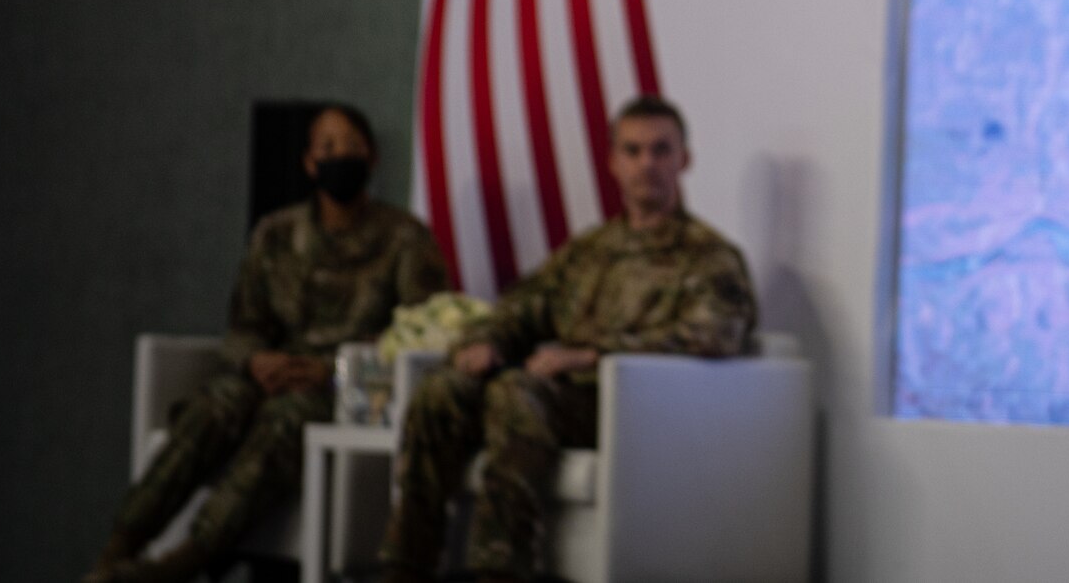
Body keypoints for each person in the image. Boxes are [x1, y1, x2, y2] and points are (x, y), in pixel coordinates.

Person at [378, 95, 758, 583]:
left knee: (515, 393)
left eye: (662, 151)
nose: (648, 165)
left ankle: (499, 570)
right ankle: (405, 564)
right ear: (613, 163)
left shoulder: (710, 257)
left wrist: (594, 354)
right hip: (554, 392)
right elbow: (524, 303)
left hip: (629, 407)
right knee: (442, 390)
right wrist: (488, 340)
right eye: (634, 151)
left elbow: (713, 336)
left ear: (684, 160)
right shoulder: (590, 250)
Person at [87, 104, 449, 583]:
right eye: (328, 147)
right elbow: (242, 327)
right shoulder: (276, 234)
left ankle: (183, 562)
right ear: (308, 163)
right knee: (214, 408)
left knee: (284, 423)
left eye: (352, 146)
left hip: (340, 391)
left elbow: (417, 333)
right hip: (267, 375)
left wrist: (332, 369)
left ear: (373, 157)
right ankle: (117, 550)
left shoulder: (405, 239)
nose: (340, 155)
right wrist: (256, 361)